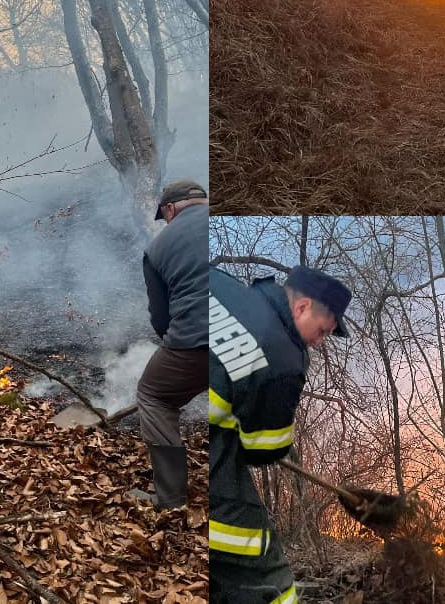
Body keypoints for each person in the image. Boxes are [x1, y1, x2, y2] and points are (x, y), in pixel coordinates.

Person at [209, 264, 351, 604]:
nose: (318, 343)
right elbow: (263, 451)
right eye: (321, 331)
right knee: (268, 576)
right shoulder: (284, 359)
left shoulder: (223, 285)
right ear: (301, 307)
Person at [136, 179, 210, 509]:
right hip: (250, 339)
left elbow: (161, 321)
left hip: (195, 339)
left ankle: (170, 500)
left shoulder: (156, 249)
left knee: (153, 396)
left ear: (169, 210)